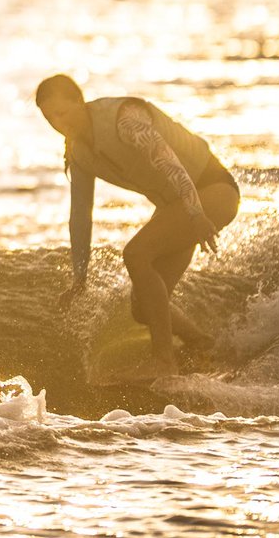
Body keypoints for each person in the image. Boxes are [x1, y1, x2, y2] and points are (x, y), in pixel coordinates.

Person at [35, 73, 239, 379]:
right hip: (179, 207)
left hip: (211, 191)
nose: (58, 123)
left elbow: (168, 161)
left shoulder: (124, 119)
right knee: (143, 308)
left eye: (62, 113)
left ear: (79, 100)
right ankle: (202, 344)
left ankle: (163, 362)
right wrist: (80, 277)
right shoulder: (79, 153)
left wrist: (196, 214)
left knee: (136, 254)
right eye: (50, 118)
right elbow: (80, 214)